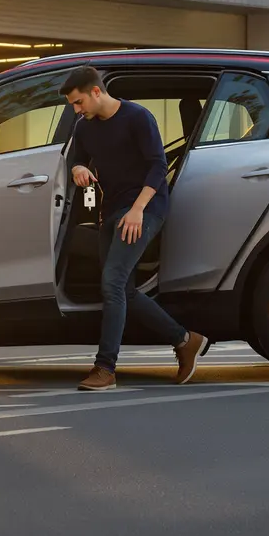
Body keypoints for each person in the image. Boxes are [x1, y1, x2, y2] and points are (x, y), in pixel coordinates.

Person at [59, 65, 207, 391]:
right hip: (111, 210)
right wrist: (79, 168)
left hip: (146, 207)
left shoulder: (138, 117)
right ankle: (185, 340)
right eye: (73, 105)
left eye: (79, 102)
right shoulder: (85, 128)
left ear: (96, 92)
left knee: (112, 283)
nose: (77, 109)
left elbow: (157, 166)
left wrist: (138, 210)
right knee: (120, 288)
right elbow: (77, 159)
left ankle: (105, 368)